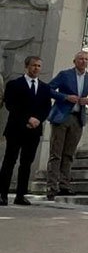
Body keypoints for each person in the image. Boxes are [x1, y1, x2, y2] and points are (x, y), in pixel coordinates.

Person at [46, 51, 88, 200]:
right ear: (74, 61)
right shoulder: (65, 75)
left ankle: (64, 185)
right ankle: (51, 187)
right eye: (81, 59)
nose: (83, 61)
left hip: (78, 119)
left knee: (69, 154)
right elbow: (48, 89)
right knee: (56, 153)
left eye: (86, 59)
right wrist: (65, 97)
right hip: (61, 117)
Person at [0, 55, 53, 205]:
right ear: (27, 66)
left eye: (39, 66)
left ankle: (20, 195)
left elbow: (46, 107)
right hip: (16, 128)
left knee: (26, 163)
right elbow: (11, 105)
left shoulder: (44, 87)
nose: (36, 68)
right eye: (34, 65)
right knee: (9, 161)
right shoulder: (14, 84)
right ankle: (2, 194)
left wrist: (38, 119)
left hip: (34, 131)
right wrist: (27, 119)